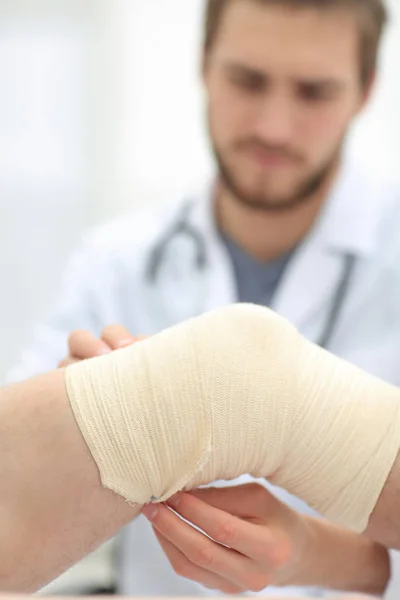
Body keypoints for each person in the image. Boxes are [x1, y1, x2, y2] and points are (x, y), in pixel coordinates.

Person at [7, 0, 399, 597]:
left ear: (365, 91)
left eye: (313, 92)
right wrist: (84, 415)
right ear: (204, 66)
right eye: (247, 80)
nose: (273, 126)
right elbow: (16, 495)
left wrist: (321, 557)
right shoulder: (117, 260)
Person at [1, 304, 400, 598]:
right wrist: (89, 393)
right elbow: (25, 475)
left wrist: (319, 555)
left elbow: (244, 373)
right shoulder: (122, 251)